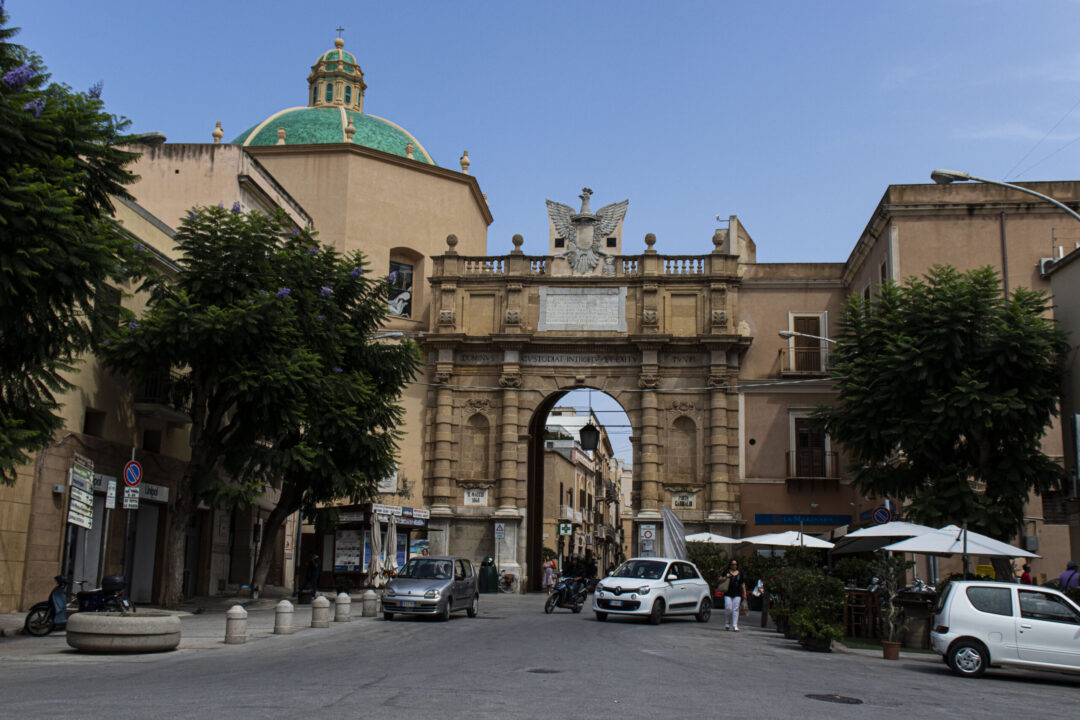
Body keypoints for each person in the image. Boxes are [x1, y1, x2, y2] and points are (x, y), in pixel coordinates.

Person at [722, 559, 748, 631]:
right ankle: (727, 623)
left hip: (737, 593)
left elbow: (743, 583)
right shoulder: (726, 572)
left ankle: (735, 625)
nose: (734, 566)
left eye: (735, 564)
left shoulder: (740, 573)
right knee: (728, 608)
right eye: (733, 564)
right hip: (728, 592)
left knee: (735, 609)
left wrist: (744, 593)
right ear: (730, 565)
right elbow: (720, 579)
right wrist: (725, 577)